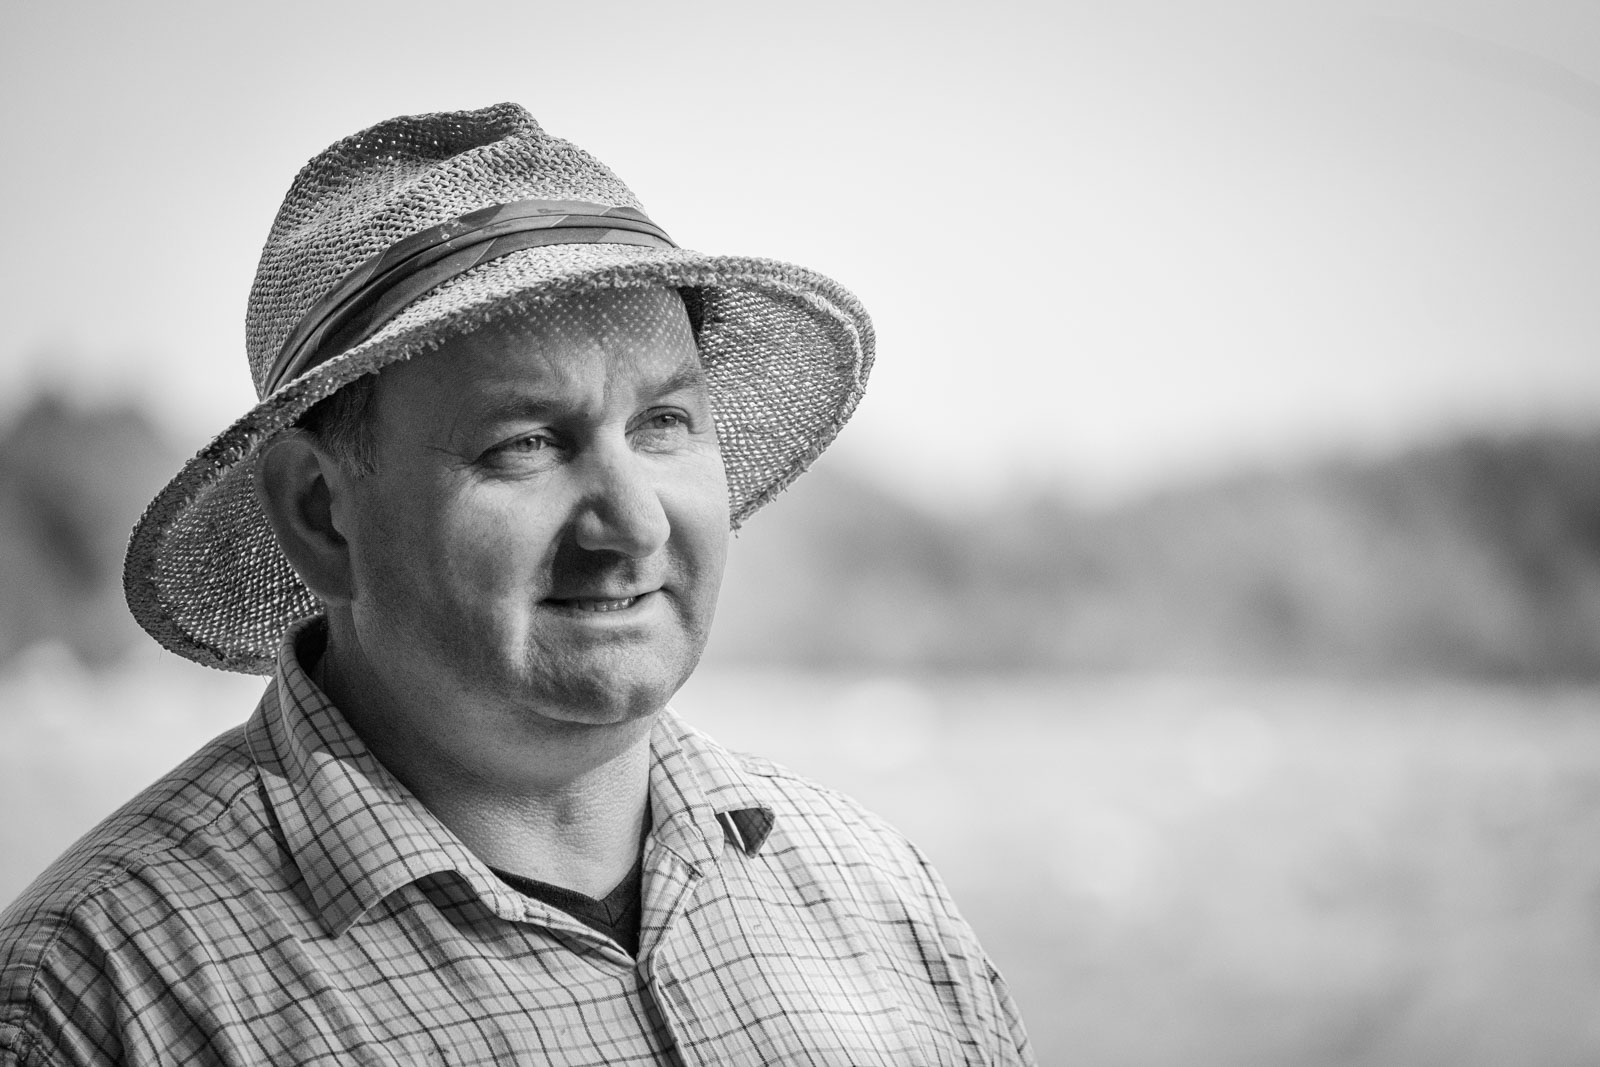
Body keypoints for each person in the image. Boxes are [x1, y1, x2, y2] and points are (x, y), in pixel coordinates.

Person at [0, 104, 1033, 1066]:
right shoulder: (99, 996)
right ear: (321, 511)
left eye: (664, 423)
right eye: (526, 442)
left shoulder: (878, 895)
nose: (633, 523)